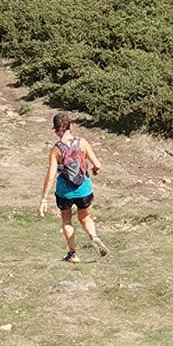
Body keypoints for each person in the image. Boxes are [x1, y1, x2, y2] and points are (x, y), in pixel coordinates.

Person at [40, 111, 105, 263]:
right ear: (71, 126)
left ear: (55, 129)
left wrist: (44, 198)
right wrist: (95, 170)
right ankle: (93, 237)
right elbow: (97, 164)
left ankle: (73, 254)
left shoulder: (56, 150)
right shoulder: (82, 143)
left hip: (65, 192)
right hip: (84, 189)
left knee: (67, 222)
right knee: (85, 217)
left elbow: (51, 175)